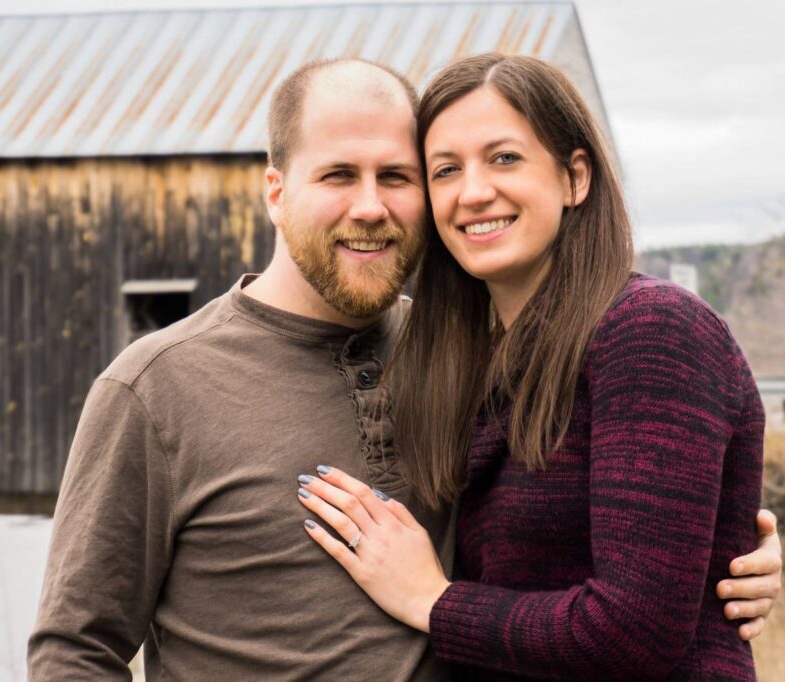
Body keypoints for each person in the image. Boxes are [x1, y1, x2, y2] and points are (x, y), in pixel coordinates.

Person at [29, 58, 781, 680]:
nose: (370, 206)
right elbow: (75, 649)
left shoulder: (468, 353)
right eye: (337, 176)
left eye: (397, 176)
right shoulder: (154, 388)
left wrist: (728, 559)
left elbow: (617, 570)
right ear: (275, 191)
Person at [297, 54, 780, 680]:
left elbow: (637, 633)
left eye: (504, 158)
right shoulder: (472, 359)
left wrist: (431, 599)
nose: (473, 192)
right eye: (446, 170)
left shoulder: (651, 331)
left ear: (575, 177)